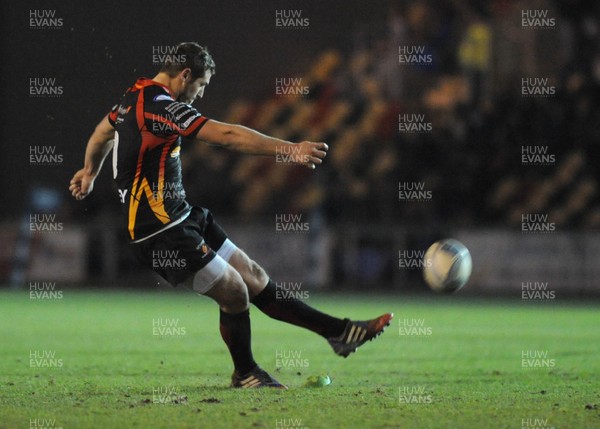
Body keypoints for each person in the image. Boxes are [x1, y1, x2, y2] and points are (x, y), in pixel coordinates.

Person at [69, 42, 392, 389]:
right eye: (201, 85)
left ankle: (339, 332)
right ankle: (246, 373)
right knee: (235, 292)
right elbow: (224, 136)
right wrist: (289, 149)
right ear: (185, 75)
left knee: (252, 276)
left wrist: (90, 170)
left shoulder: (131, 99)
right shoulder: (163, 106)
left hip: (184, 217)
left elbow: (103, 132)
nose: (200, 93)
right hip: (158, 232)